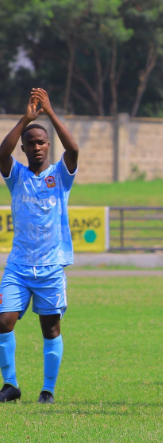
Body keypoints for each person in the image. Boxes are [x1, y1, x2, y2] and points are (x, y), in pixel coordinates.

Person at [0, 88, 79, 404]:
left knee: (50, 329)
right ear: (24, 147)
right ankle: (11, 385)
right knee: (3, 321)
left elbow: (73, 149)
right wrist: (27, 118)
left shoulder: (59, 176)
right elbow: (0, 154)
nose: (36, 147)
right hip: (18, 266)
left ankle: (48, 390)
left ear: (48, 146)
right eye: (30, 143)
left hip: (49, 267)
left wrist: (50, 113)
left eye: (41, 142)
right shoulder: (16, 175)